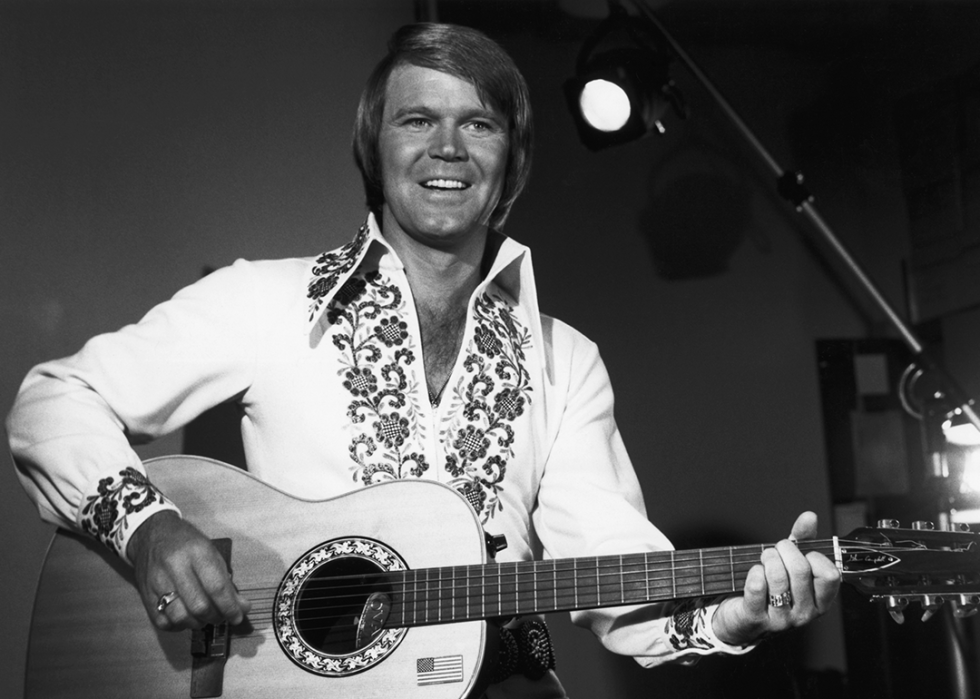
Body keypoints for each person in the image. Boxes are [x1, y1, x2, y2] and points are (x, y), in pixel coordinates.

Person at [7, 22, 839, 698]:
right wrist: (149, 528)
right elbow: (51, 401)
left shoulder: (565, 358)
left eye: (478, 123)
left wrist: (732, 618)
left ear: (510, 159)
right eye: (418, 120)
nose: (448, 147)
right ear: (376, 149)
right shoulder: (262, 298)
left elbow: (619, 581)